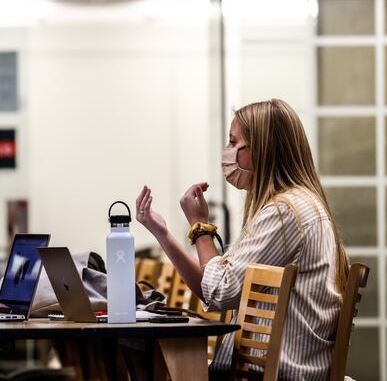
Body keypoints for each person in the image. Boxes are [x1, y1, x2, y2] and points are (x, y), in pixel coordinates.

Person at [136, 99, 349, 380]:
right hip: (281, 370)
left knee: (142, 364)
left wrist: (201, 227)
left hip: (276, 373)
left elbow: (218, 291)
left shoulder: (286, 212)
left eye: (234, 142)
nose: (227, 153)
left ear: (262, 150)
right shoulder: (293, 205)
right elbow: (211, 288)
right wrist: (162, 232)